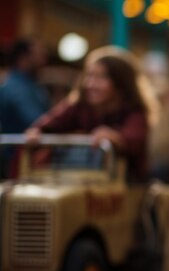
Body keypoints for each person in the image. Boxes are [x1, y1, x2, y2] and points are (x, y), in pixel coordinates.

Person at [24, 45, 157, 182]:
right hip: (82, 181)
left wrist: (116, 138)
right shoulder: (79, 106)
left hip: (124, 186)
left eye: (101, 77)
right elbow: (49, 124)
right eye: (90, 76)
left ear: (121, 83)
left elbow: (134, 137)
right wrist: (37, 132)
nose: (91, 84)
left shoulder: (134, 111)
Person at [0, 38, 50, 177]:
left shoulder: (31, 85)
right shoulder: (15, 88)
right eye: (38, 53)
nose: (43, 57)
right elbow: (35, 120)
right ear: (24, 57)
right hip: (16, 161)